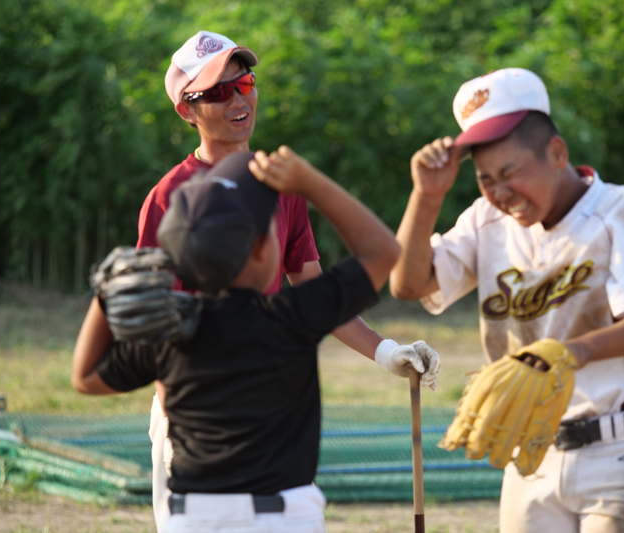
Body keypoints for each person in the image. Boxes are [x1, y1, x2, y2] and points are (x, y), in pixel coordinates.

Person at [138, 31, 441, 528]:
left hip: (273, 404)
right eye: (217, 93)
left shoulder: (283, 187)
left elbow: (312, 286)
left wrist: (388, 353)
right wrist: (181, 417)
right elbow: (156, 321)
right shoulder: (169, 196)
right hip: (195, 412)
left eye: (245, 83)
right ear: (187, 111)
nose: (238, 99)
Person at [389, 68, 624, 532]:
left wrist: (574, 352)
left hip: (620, 448)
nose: (499, 191)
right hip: (529, 453)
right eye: (485, 178)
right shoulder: (485, 220)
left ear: (556, 152)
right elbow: (409, 285)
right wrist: (426, 197)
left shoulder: (621, 211)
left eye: (510, 172)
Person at [73, 148, 398, 532]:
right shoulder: (292, 316)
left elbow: (86, 377)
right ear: (263, 249)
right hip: (283, 518)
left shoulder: (173, 333)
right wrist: (310, 183)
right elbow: (384, 251)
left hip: (194, 519)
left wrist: (106, 290)